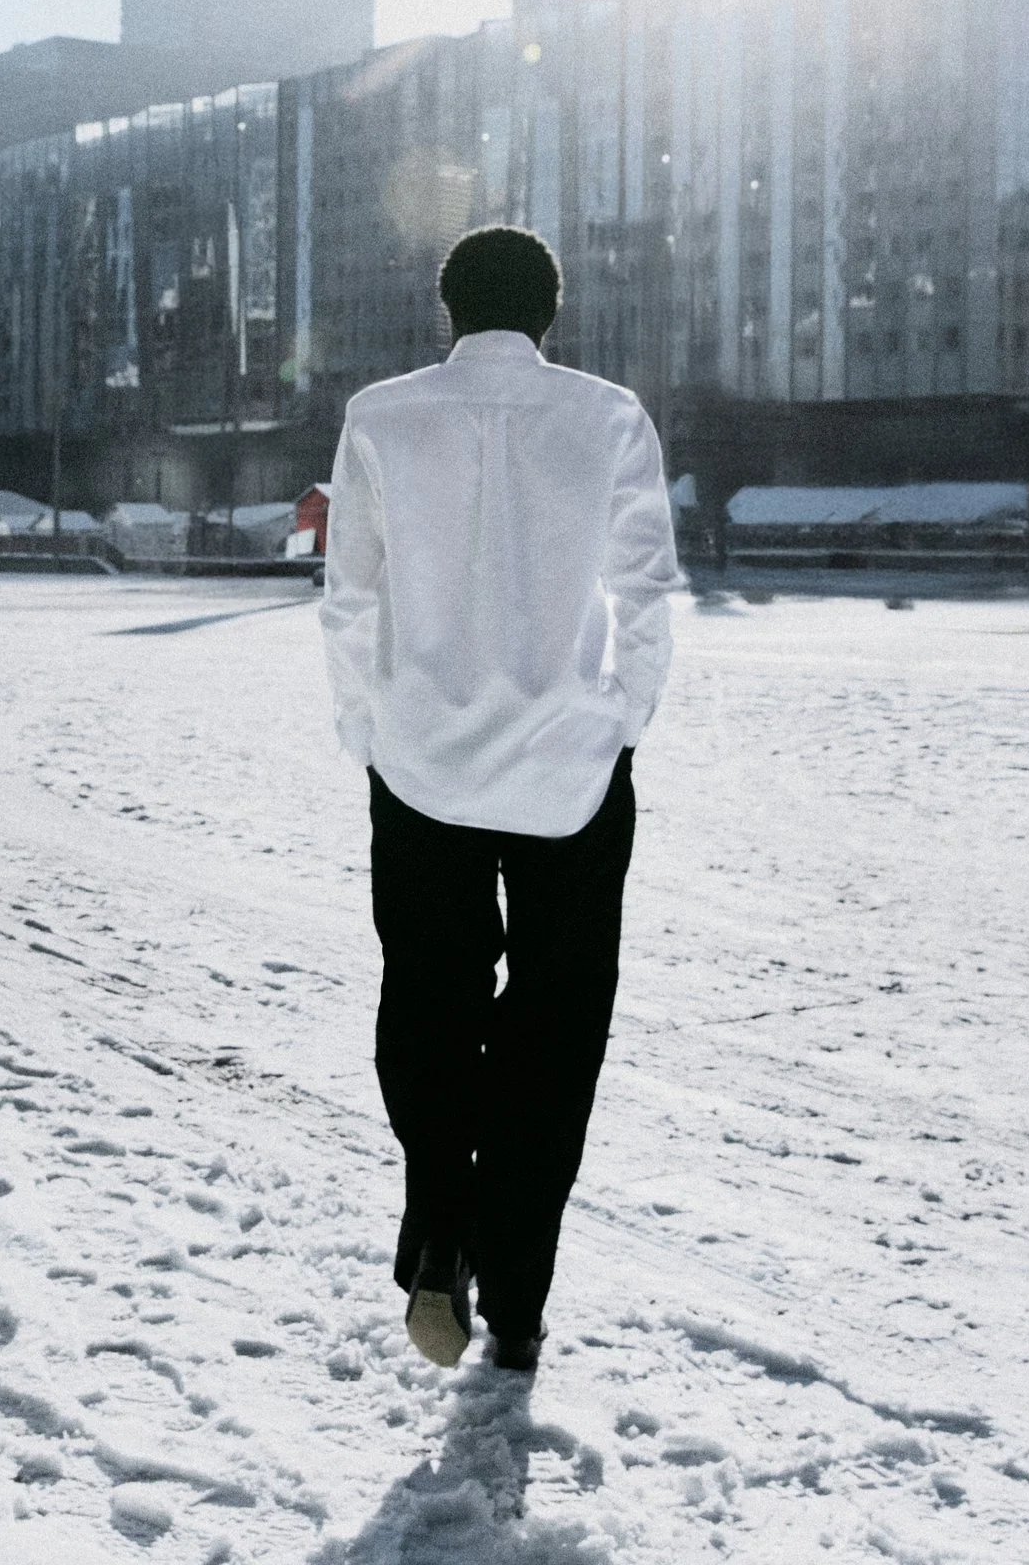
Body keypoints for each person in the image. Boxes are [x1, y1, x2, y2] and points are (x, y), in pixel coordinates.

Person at [320, 225, 683, 1375]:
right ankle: (516, 1296)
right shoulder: (610, 414)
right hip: (570, 766)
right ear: (549, 313)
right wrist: (624, 716)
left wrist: (365, 733)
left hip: (420, 758)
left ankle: (439, 1221)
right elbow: (647, 589)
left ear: (447, 310)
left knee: (427, 999)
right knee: (557, 1023)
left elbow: (348, 599)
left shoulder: (381, 415)